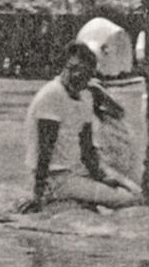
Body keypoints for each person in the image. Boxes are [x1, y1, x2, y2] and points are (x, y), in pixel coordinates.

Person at [21, 41, 142, 212]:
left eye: (84, 72)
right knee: (129, 200)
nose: (77, 75)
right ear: (65, 67)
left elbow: (86, 147)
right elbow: (44, 149)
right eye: (72, 68)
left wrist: (101, 177)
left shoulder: (85, 96)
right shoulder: (52, 95)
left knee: (136, 192)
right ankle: (56, 197)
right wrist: (37, 194)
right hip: (56, 178)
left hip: (76, 172)